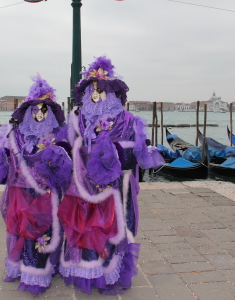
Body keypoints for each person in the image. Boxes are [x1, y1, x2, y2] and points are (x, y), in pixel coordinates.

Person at [58, 56, 163, 295]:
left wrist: (116, 154)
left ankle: (107, 270)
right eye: (92, 90)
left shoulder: (127, 120)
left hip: (113, 185)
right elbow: (68, 146)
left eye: (101, 89)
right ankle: (86, 269)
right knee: (85, 225)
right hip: (82, 185)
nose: (96, 94)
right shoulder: (78, 118)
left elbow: (133, 155)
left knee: (111, 226)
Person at [0, 75, 71, 295]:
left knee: (46, 230)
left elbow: (66, 168)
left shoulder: (58, 135)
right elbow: (4, 165)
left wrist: (56, 157)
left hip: (47, 194)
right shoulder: (17, 134)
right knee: (23, 230)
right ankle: (26, 266)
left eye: (44, 110)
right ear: (29, 111)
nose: (39, 114)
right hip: (21, 193)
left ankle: (42, 268)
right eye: (35, 110)